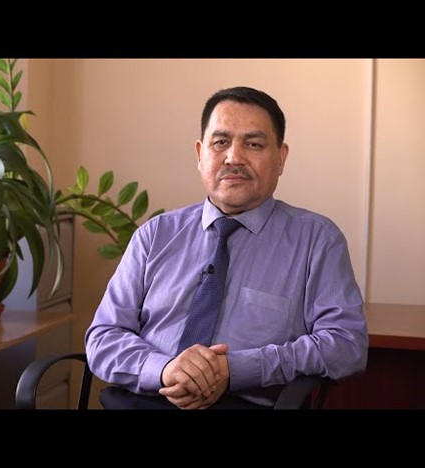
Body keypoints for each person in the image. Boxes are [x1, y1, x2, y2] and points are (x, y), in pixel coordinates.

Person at [85, 86, 368, 409]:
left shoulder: (317, 240)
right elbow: (103, 337)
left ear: (281, 157)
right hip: (146, 400)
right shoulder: (153, 235)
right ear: (199, 154)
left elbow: (346, 344)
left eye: (253, 144)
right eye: (220, 142)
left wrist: (235, 369)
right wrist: (165, 369)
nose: (234, 158)